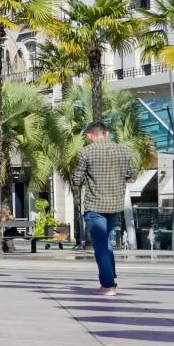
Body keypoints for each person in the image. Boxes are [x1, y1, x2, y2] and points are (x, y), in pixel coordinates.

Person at [70, 122, 137, 296]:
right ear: (106, 134)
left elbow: (76, 180)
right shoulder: (124, 151)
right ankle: (110, 276)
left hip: (95, 205)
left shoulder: (85, 152)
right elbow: (132, 176)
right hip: (115, 205)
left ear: (90, 135)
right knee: (107, 243)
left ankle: (108, 285)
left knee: (101, 246)